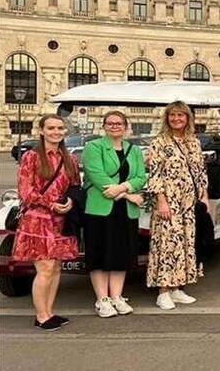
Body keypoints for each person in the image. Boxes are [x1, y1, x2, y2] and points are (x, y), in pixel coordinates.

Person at [13, 114, 81, 331]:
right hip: (38, 220)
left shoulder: (69, 158)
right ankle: (41, 316)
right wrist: (51, 204)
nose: (56, 132)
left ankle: (49, 311)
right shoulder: (31, 157)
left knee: (56, 268)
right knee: (45, 268)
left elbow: (75, 185)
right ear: (41, 130)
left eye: (60, 128)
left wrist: (70, 201)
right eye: (51, 128)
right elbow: (26, 191)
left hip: (61, 219)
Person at [80, 111, 147, 318]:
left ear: (126, 126)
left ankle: (117, 296)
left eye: (119, 123)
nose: (114, 126)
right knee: (99, 253)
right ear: (104, 126)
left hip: (125, 212)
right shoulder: (94, 147)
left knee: (122, 253)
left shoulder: (134, 150)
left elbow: (141, 176)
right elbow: (97, 177)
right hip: (100, 208)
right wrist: (127, 195)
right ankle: (102, 299)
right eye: (110, 123)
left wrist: (124, 187)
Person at [145, 101, 209, 310]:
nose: (176, 119)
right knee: (167, 243)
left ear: (187, 118)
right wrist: (161, 200)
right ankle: (163, 290)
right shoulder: (160, 142)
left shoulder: (193, 142)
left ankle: (177, 287)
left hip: (189, 201)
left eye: (181, 115)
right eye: (172, 115)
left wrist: (204, 195)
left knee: (186, 243)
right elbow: (154, 174)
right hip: (169, 199)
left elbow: (200, 171)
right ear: (167, 118)